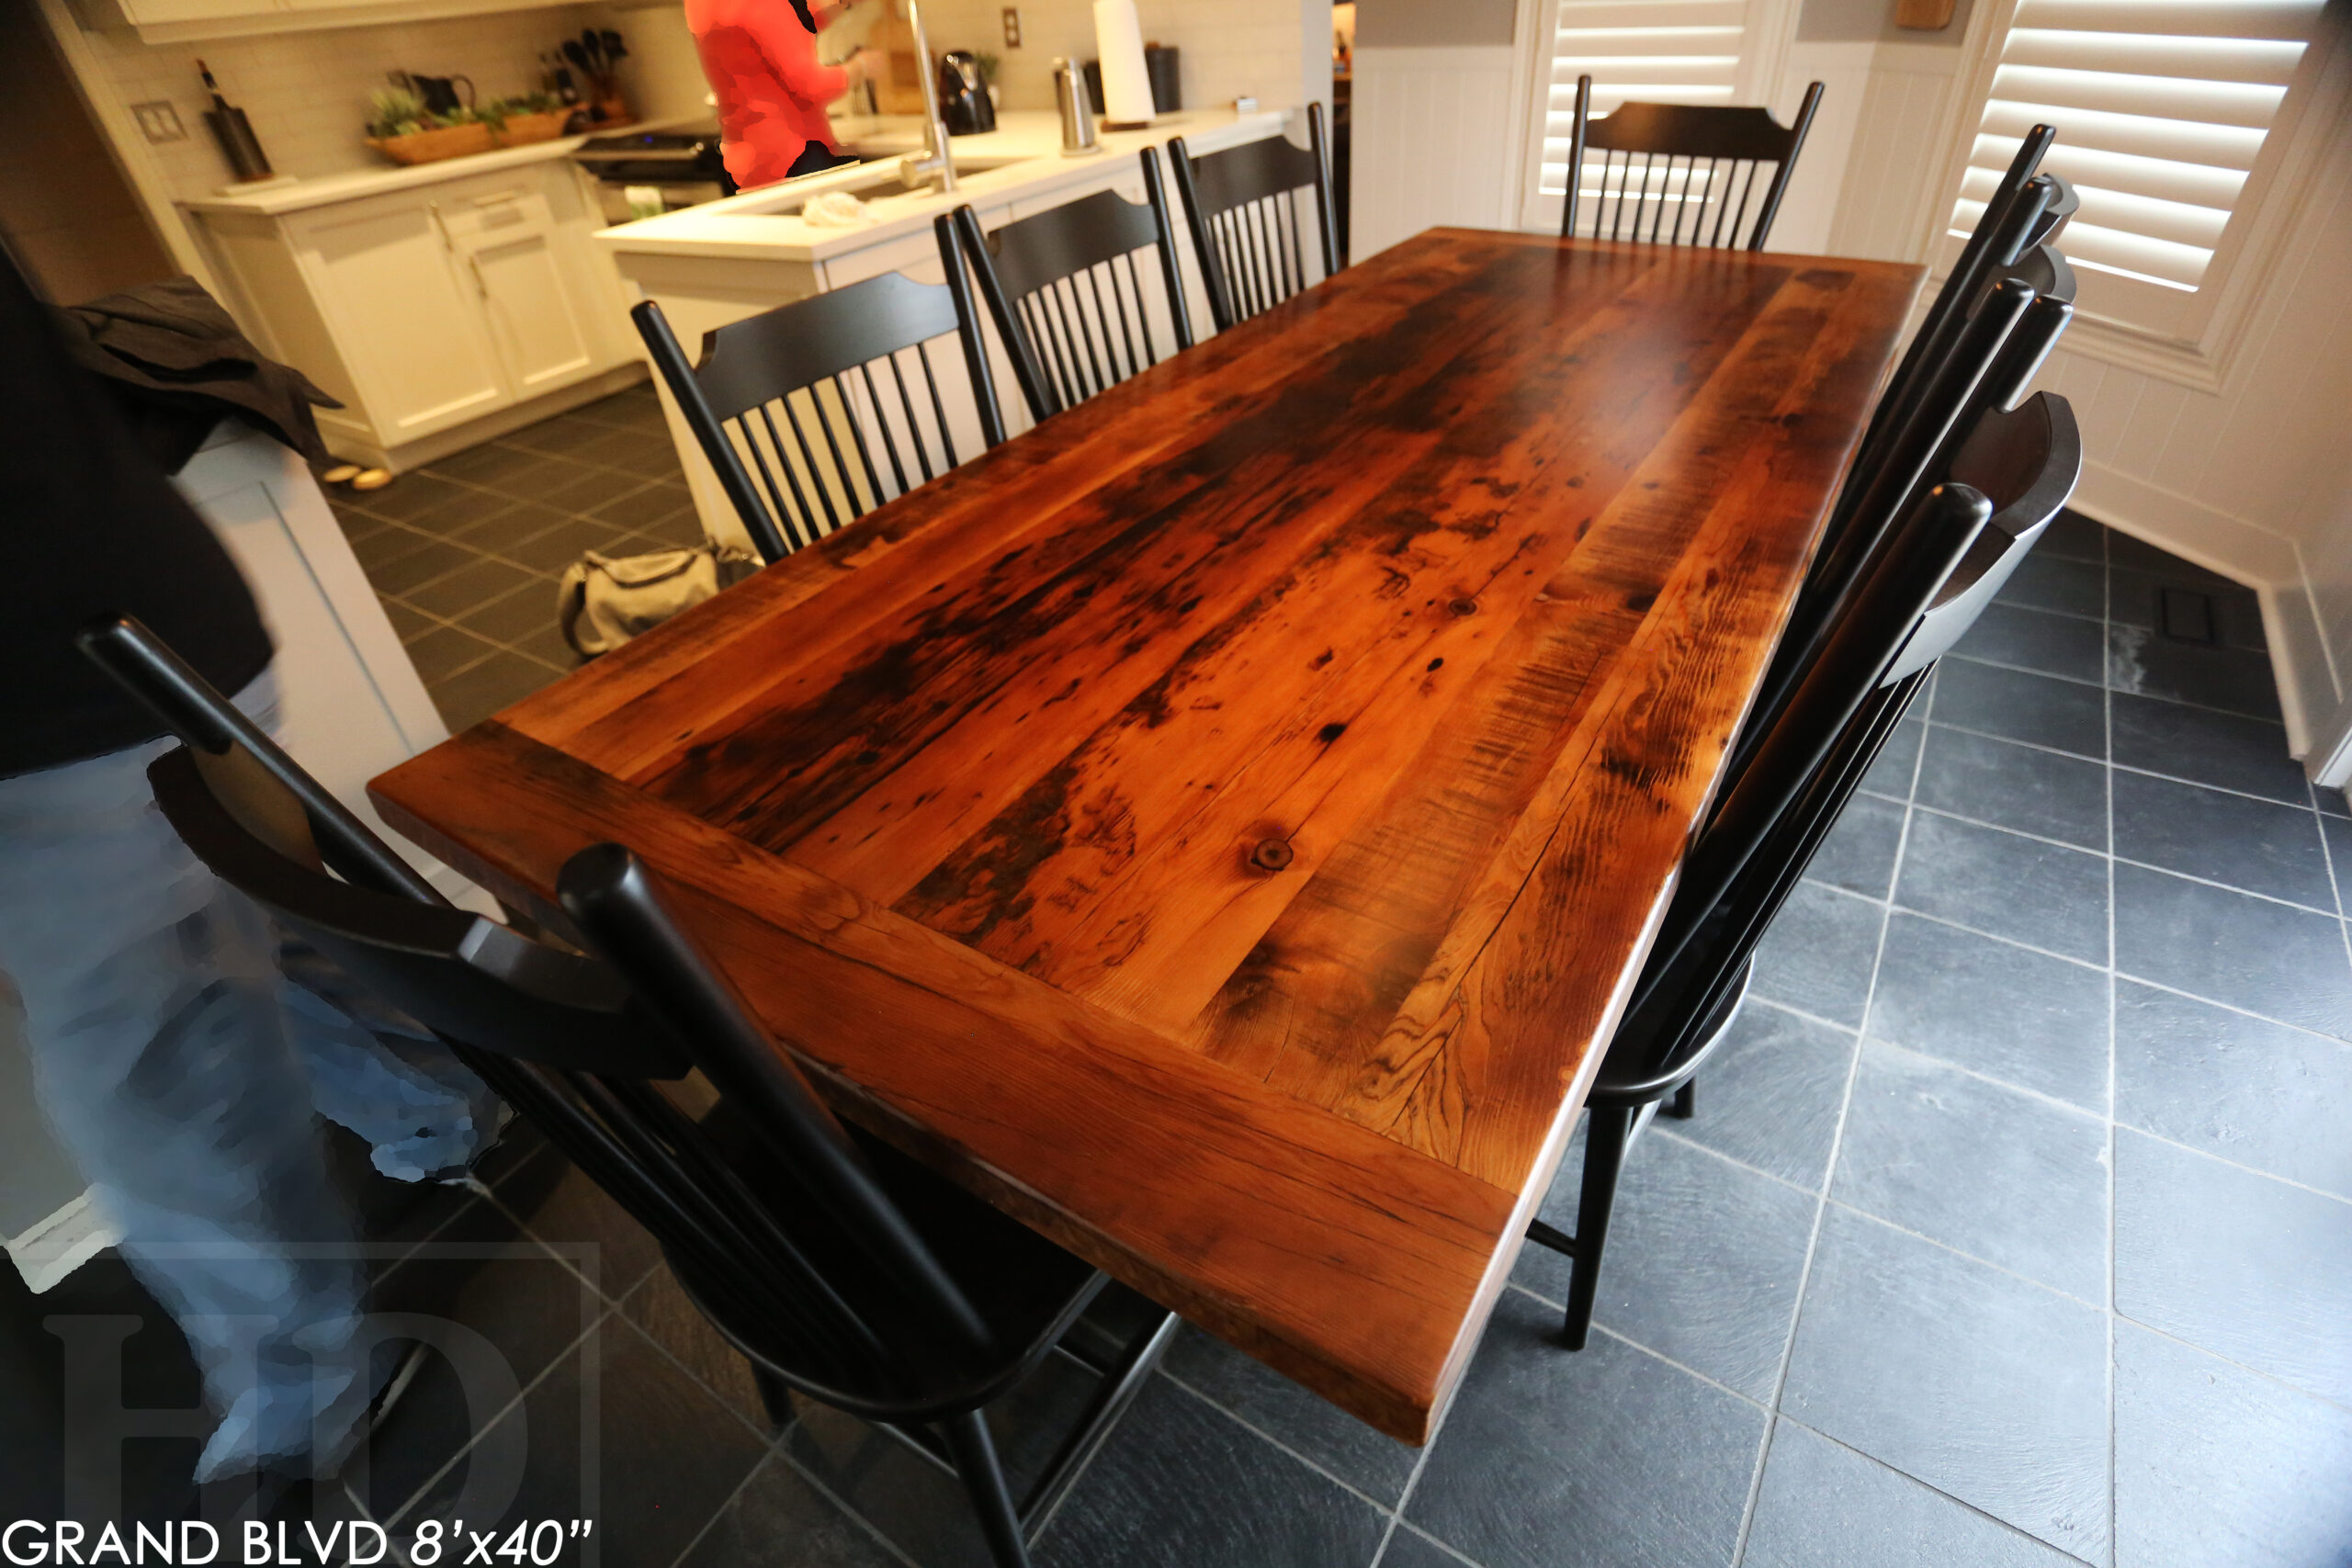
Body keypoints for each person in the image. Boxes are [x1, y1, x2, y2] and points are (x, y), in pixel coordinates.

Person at [0, 246, 503, 1484]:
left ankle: (304, 1384)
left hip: (67, 679)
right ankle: (438, 1104)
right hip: (128, 624)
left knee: (154, 1078)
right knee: (248, 941)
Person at [687, 0, 885, 188]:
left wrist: (840, 5)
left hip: (747, 160)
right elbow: (812, 85)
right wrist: (860, 67)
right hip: (795, 156)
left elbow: (774, 30)